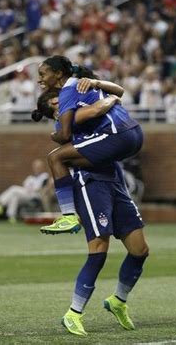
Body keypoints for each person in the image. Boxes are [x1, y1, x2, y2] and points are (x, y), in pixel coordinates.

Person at [33, 92, 149, 336]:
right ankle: (73, 313)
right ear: (55, 104)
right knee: (98, 250)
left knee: (140, 250)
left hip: (114, 181)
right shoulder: (68, 119)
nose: (68, 96)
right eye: (60, 96)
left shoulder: (75, 113)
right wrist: (114, 98)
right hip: (91, 183)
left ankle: (118, 300)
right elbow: (100, 107)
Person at [37, 55, 142, 235]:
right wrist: (105, 91)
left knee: (55, 158)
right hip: (133, 133)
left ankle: (69, 215)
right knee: (138, 251)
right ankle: (119, 203)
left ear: (59, 73)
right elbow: (120, 92)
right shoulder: (81, 87)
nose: (40, 79)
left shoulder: (68, 92)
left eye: (43, 74)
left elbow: (66, 133)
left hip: (117, 134)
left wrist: (56, 136)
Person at [0, 158, 49, 223]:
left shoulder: (44, 176)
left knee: (14, 188)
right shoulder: (30, 178)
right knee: (14, 197)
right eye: (36, 167)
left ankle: (0, 203)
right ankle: (11, 217)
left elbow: (42, 187)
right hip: (26, 195)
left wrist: (33, 189)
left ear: (42, 167)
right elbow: (24, 186)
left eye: (39, 167)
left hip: (36, 196)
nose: (37, 168)